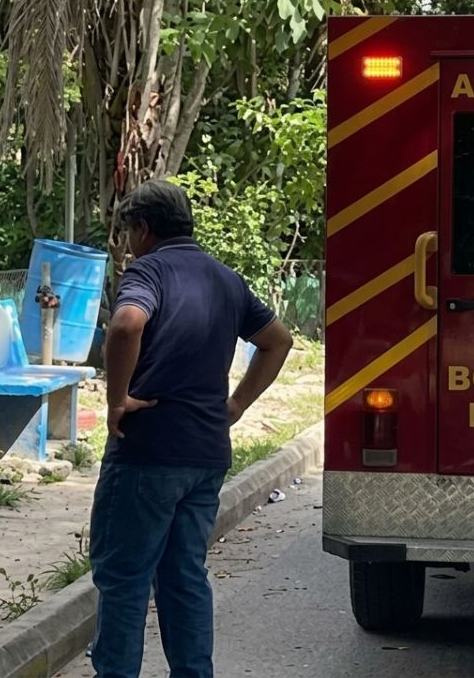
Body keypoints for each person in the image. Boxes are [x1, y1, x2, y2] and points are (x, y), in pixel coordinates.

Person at [90, 180, 293, 678]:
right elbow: (279, 341)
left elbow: (126, 325)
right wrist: (238, 403)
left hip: (147, 449)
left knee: (124, 579)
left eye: (130, 232)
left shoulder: (148, 271)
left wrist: (117, 400)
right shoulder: (226, 279)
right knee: (184, 576)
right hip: (205, 454)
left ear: (143, 228)